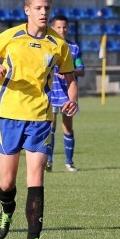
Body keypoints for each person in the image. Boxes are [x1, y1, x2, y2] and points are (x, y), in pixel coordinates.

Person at [0, 0, 78, 239]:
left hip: (40, 117)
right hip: (8, 114)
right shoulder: (10, 37)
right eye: (38, 8)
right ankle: (7, 209)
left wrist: (72, 99)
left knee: (36, 176)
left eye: (47, 8)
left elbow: (69, 78)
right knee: (7, 183)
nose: (43, 13)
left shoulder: (58, 44)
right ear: (27, 10)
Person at [46, 14, 85, 172]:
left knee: (67, 127)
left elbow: (81, 70)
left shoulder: (74, 48)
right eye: (59, 27)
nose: (62, 30)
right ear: (53, 28)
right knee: (50, 127)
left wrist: (69, 71)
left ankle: (69, 162)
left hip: (68, 92)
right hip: (51, 91)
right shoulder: (47, 46)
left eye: (64, 27)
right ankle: (49, 161)